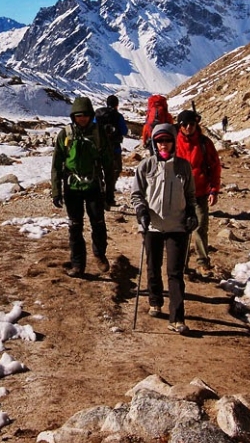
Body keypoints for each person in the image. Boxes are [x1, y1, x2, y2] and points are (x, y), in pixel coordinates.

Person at [130, 123, 197, 334]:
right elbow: (136, 194)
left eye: (167, 140)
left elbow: (191, 196)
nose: (164, 144)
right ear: (154, 142)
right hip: (152, 226)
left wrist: (191, 215)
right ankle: (155, 300)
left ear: (173, 142)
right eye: (160, 141)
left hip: (177, 226)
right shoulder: (146, 166)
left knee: (175, 273)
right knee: (153, 266)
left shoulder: (183, 167)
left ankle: (177, 317)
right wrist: (141, 211)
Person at [51, 96, 115, 277]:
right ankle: (78, 264)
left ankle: (99, 253)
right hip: (72, 189)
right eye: (79, 116)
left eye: (86, 115)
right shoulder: (65, 134)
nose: (82, 119)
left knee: (98, 223)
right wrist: (56, 191)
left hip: (94, 186)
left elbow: (108, 164)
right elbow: (56, 164)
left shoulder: (98, 133)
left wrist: (110, 191)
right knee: (75, 227)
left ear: (91, 115)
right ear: (73, 116)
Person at [174, 109, 222, 279]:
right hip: (178, 194)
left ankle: (203, 262)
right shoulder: (173, 142)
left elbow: (215, 166)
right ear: (180, 126)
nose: (189, 127)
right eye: (185, 124)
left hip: (200, 192)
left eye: (192, 124)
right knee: (181, 230)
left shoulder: (204, 143)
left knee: (200, 227)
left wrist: (214, 189)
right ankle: (181, 264)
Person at [94, 94, 128, 190]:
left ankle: (100, 184)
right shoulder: (118, 116)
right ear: (117, 104)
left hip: (99, 146)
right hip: (114, 147)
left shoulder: (98, 114)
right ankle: (110, 186)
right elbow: (124, 131)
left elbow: (92, 128)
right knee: (116, 168)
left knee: (98, 167)